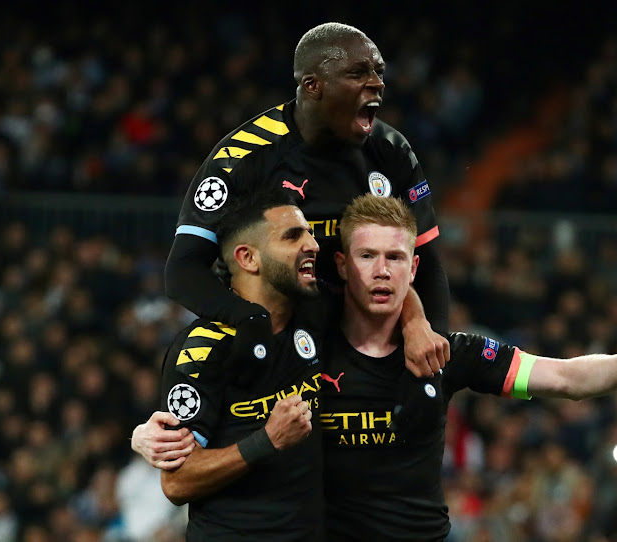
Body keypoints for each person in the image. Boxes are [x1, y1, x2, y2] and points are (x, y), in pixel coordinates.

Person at [136, 195, 617, 541]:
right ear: (342, 266)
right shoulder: (302, 335)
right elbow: (205, 404)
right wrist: (144, 433)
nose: (382, 271)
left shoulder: (448, 353)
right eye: (367, 257)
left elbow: (564, 378)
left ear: (414, 267)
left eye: (396, 258)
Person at [166, 21, 450, 377]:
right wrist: (251, 321)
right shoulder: (242, 158)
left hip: (361, 346)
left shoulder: (391, 151)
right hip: (271, 352)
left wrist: (429, 341)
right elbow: (183, 271)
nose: (377, 83)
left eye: (379, 71)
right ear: (313, 86)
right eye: (358, 72)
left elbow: (427, 262)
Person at [153, 190, 329, 541]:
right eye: (293, 235)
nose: (313, 244)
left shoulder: (313, 317)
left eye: (309, 233)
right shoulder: (203, 348)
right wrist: (267, 439)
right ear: (248, 258)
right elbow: (177, 481)